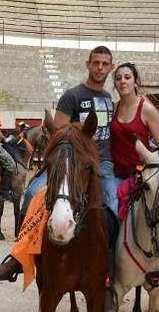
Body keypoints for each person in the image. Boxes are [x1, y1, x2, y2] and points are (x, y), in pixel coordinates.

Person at [0, 62, 159, 293]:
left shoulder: (135, 106)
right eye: (120, 78)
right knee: (34, 193)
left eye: (127, 77)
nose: (122, 81)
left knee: (115, 210)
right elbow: (60, 132)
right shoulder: (104, 104)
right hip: (84, 163)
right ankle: (19, 254)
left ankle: (114, 272)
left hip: (119, 169)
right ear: (90, 66)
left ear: (135, 81)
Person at [18, 46, 116, 218]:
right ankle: (21, 242)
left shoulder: (108, 98)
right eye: (96, 63)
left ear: (111, 67)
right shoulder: (72, 96)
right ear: (88, 64)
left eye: (105, 64)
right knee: (32, 194)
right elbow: (58, 136)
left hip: (103, 162)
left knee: (114, 203)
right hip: (72, 163)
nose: (100, 67)